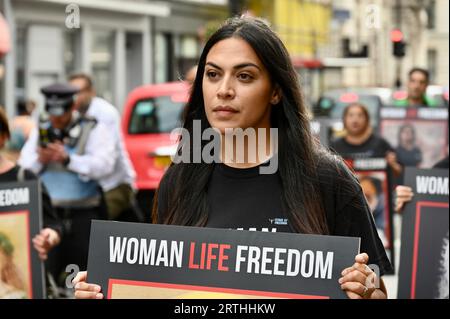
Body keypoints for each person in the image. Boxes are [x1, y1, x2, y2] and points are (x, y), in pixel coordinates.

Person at [73, 16, 391, 299]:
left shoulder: (327, 178)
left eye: (244, 76)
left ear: (276, 91)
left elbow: (376, 289)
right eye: (213, 74)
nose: (224, 90)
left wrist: (366, 290)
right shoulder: (181, 179)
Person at [18, 83, 115, 284]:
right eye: (52, 114)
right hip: (49, 217)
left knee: (86, 278)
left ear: (72, 107)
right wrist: (41, 159)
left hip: (83, 215)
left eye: (60, 114)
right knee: (45, 276)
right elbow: (23, 166)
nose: (56, 119)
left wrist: (68, 159)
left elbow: (105, 166)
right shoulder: (42, 130)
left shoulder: (93, 128)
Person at [68, 74, 138, 221]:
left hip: (113, 185)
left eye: (79, 91)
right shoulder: (72, 113)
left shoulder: (104, 113)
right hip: (87, 184)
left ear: (91, 91)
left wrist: (69, 161)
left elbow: (105, 163)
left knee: (94, 225)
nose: (75, 97)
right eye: (71, 92)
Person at [0, 107, 62, 262]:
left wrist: (48, 238)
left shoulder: (24, 178)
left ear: (4, 136)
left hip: (18, 277)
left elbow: (53, 226)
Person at [330, 103, 402, 176]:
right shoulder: (335, 145)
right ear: (344, 120)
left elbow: (398, 172)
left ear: (367, 120)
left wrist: (393, 164)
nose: (355, 120)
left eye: (360, 115)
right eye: (351, 115)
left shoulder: (380, 143)